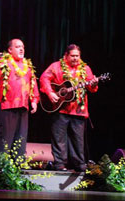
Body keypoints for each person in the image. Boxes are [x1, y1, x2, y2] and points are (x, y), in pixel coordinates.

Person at [40, 44, 98, 172]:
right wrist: (50, 93)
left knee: (78, 139)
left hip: (79, 109)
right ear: (65, 55)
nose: (75, 58)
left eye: (77, 56)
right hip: (60, 108)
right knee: (59, 138)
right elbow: (44, 78)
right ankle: (59, 163)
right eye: (72, 56)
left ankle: (79, 164)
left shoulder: (85, 68)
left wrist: (94, 84)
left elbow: (92, 88)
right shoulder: (56, 66)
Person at [0, 39, 39, 157]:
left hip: (23, 107)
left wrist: (34, 100)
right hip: (7, 105)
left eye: (23, 47)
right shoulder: (2, 62)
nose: (21, 49)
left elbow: (33, 84)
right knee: (5, 139)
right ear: (10, 50)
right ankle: (3, 167)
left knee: (20, 139)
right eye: (18, 47)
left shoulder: (28, 66)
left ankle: (18, 167)